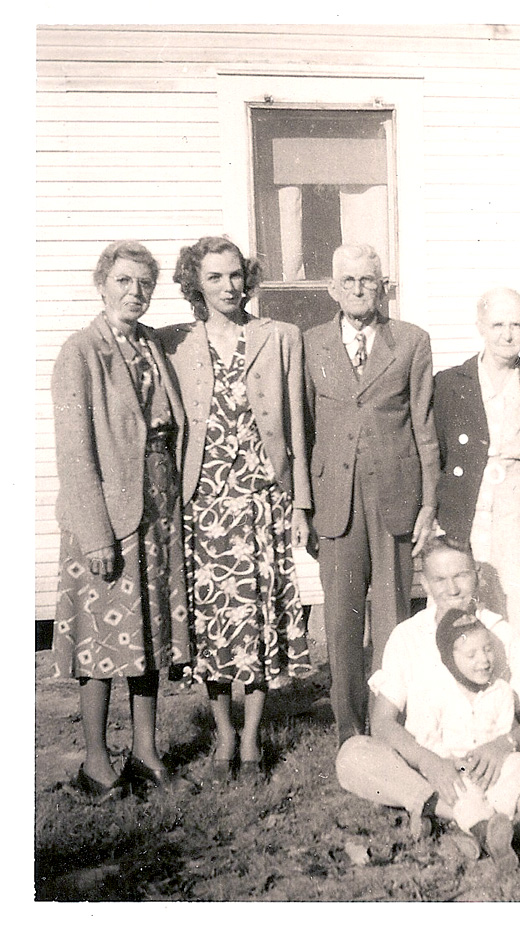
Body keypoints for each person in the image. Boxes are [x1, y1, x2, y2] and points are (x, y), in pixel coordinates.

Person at [159, 236, 313, 781]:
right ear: (195, 285)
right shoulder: (172, 342)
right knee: (212, 623)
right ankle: (222, 732)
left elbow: (296, 421)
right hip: (203, 500)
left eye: (235, 275)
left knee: (257, 616)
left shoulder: (278, 336)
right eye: (216, 278)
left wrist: (299, 502)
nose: (229, 286)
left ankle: (251, 738)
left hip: (262, 498)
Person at [335, 535, 520, 853]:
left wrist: (504, 745)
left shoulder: (502, 634)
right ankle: (500, 817)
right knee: (352, 756)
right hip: (432, 765)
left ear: (477, 575)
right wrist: (429, 762)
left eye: (461, 575)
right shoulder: (408, 637)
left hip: (496, 767)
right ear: (426, 583)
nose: (452, 589)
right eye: (440, 579)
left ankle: (450, 813)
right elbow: (383, 723)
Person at [52, 240, 191, 799]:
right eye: (125, 282)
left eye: (145, 285)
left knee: (148, 635)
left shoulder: (152, 346)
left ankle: (145, 750)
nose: (136, 293)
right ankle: (95, 761)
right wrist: (94, 533)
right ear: (102, 283)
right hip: (108, 518)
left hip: (157, 510)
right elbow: (74, 450)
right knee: (100, 640)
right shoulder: (80, 351)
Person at [304, 244, 439, 745]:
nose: (360, 289)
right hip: (334, 498)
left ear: (382, 286)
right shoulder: (311, 344)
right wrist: (303, 503)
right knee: (341, 617)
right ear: (333, 288)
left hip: (395, 496)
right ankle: (349, 729)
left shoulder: (411, 341)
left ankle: (390, 726)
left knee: (392, 617)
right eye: (350, 280)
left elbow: (424, 425)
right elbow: (303, 430)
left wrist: (429, 502)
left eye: (369, 280)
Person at [433, 287, 520, 660]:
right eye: (498, 324)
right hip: (471, 498)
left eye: (516, 324)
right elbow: (437, 451)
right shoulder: (452, 383)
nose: (507, 333)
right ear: (481, 326)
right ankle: (468, 678)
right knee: (473, 589)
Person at [425, 607, 520, 870]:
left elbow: (503, 737)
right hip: (456, 768)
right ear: (449, 659)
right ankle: (488, 831)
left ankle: (498, 821)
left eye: (487, 649)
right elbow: (427, 738)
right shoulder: (438, 694)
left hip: (491, 770)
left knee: (519, 763)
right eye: (471, 654)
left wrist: (496, 758)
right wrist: (451, 762)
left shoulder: (501, 692)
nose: (483, 660)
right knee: (460, 794)